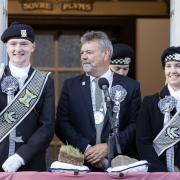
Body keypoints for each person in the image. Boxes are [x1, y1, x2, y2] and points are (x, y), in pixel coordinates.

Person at [55, 31, 141, 171]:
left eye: (89, 52)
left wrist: (108, 147)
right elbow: (62, 124)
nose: (84, 57)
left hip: (118, 166)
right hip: (80, 165)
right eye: (82, 53)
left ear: (105, 54)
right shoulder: (71, 86)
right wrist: (88, 150)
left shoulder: (130, 86)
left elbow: (135, 124)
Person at [0, 22, 55, 172]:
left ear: (33, 47)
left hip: (31, 161)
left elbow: (47, 126)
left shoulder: (45, 81)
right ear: (7, 47)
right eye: (13, 44)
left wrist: (21, 156)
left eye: (24, 43)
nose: (18, 49)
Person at [136, 46, 180, 172]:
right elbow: (143, 142)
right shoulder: (150, 102)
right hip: (158, 172)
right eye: (168, 66)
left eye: (178, 65)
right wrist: (160, 172)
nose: (173, 70)